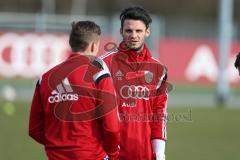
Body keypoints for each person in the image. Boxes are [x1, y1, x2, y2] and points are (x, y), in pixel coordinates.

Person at [29, 21, 120, 160]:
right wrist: (113, 155)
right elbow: (111, 126)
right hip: (92, 155)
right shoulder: (97, 72)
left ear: (71, 43)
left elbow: (35, 129)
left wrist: (60, 145)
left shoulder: (44, 79)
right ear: (94, 45)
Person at [100, 6, 168, 160]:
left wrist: (159, 154)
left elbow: (159, 115)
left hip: (144, 154)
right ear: (121, 31)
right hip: (109, 155)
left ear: (147, 32)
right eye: (129, 31)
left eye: (139, 31)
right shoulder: (104, 64)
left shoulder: (159, 70)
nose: (134, 36)